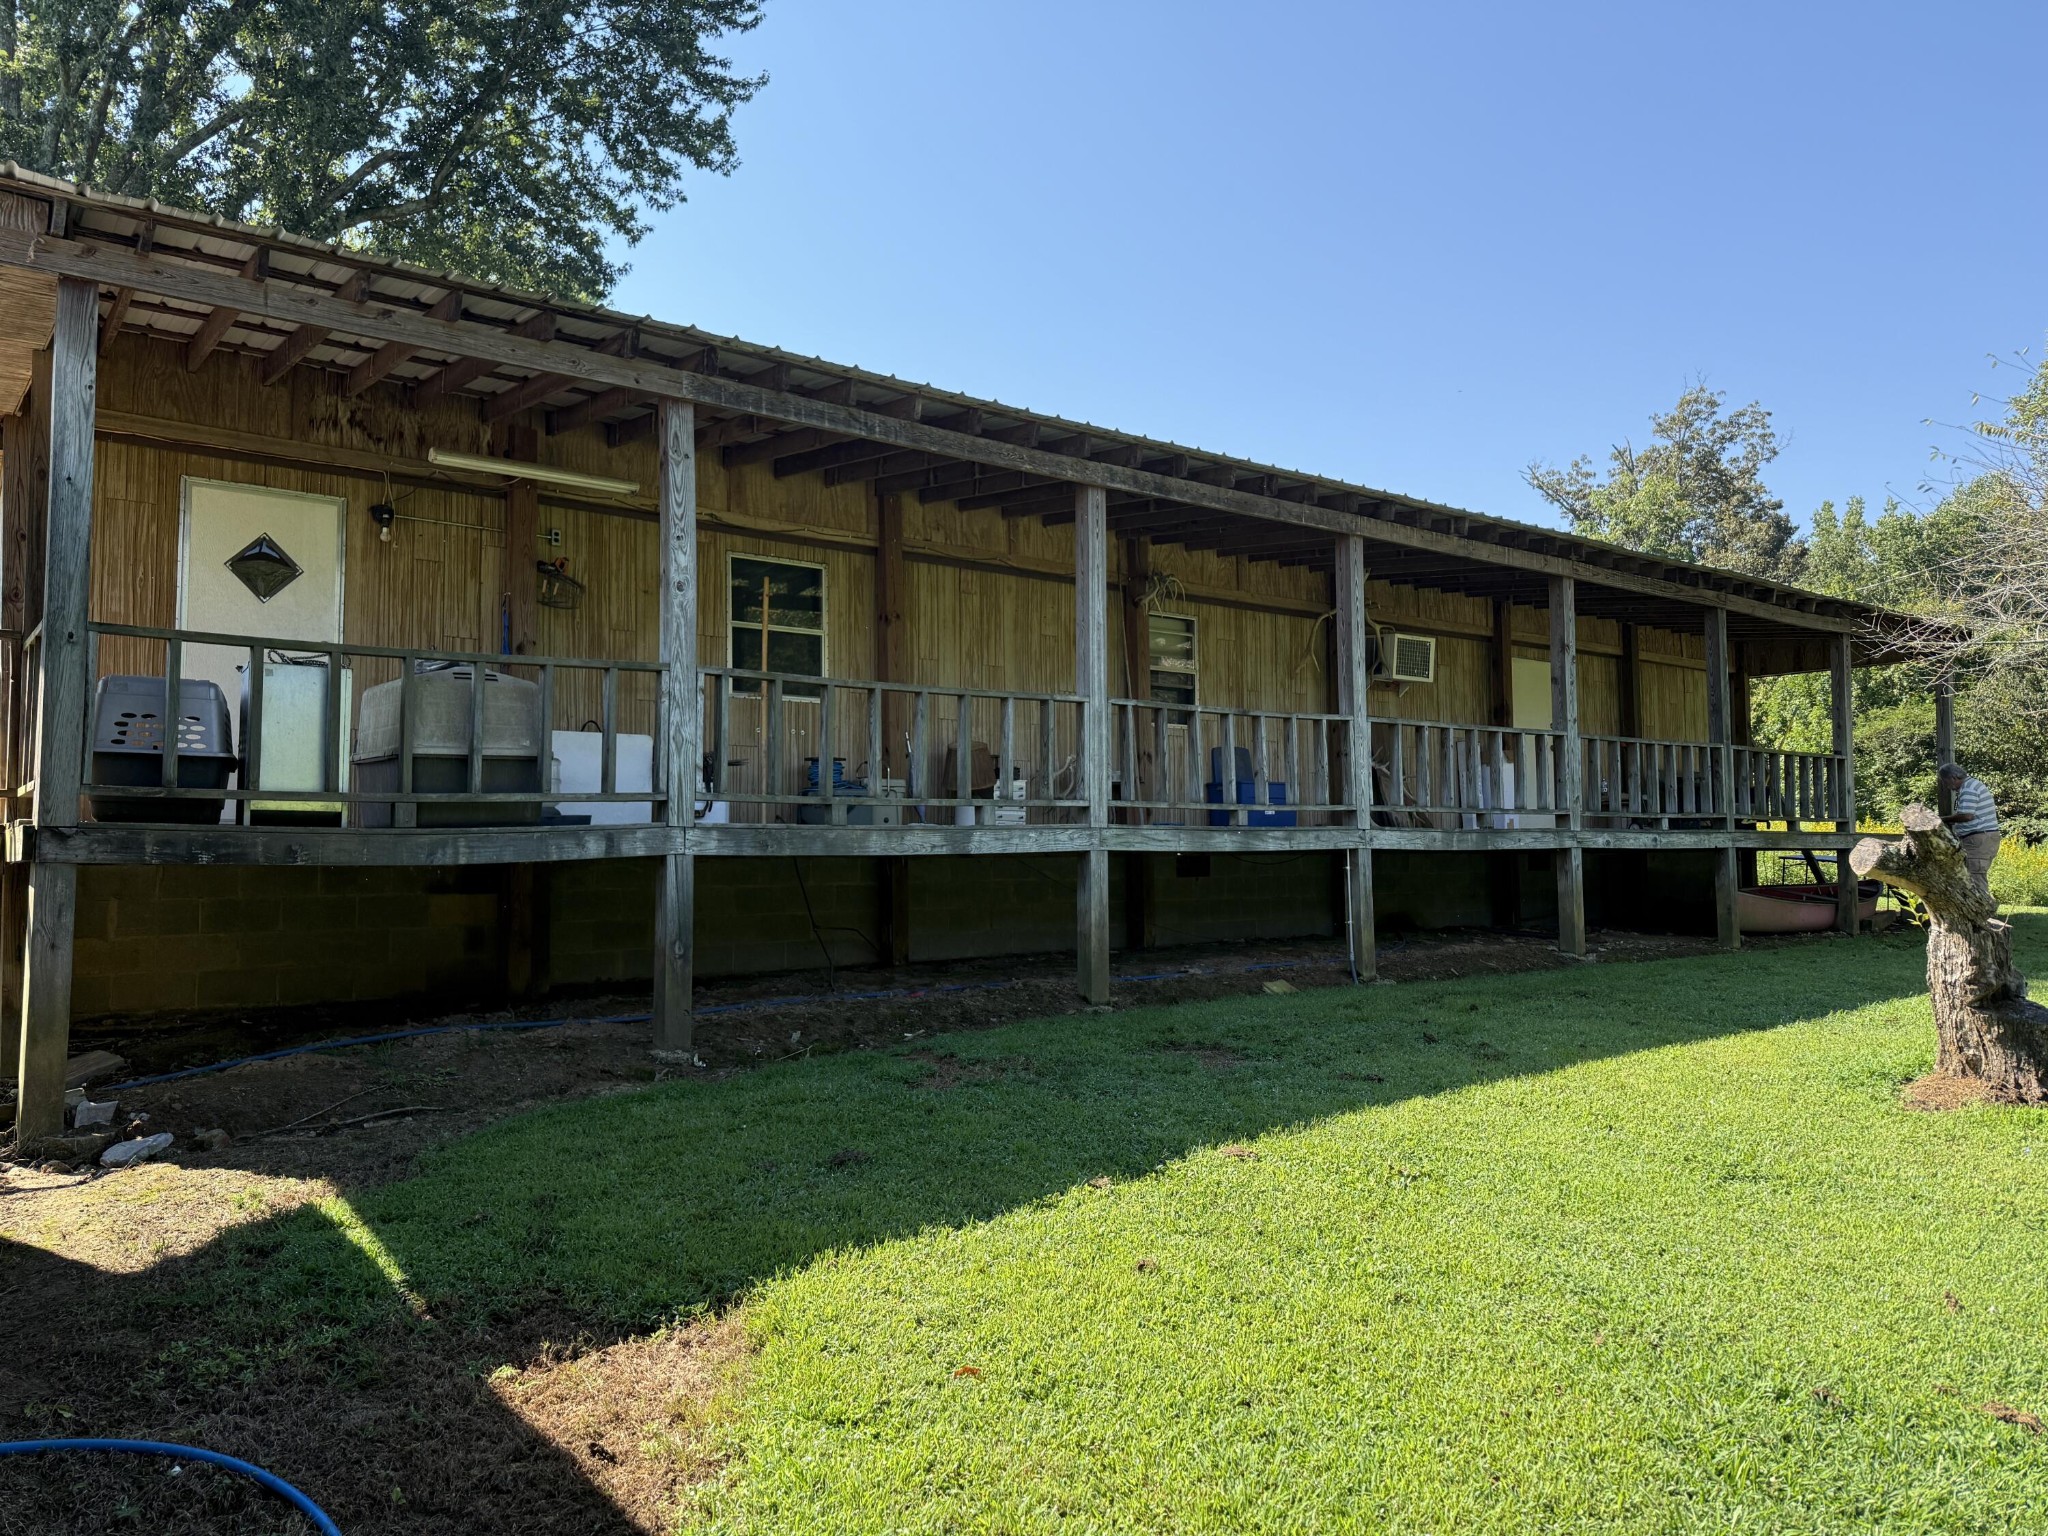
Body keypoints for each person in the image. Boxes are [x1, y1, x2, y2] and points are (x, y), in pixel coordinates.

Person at [1938, 763, 2001, 898]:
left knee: (1975, 878)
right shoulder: (1972, 785)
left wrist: (1942, 820)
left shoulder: (1968, 789)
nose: (1947, 786)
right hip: (1982, 837)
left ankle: (1982, 914)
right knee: (1971, 877)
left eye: (1945, 782)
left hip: (1978, 839)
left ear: (1953, 777)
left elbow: (1967, 815)